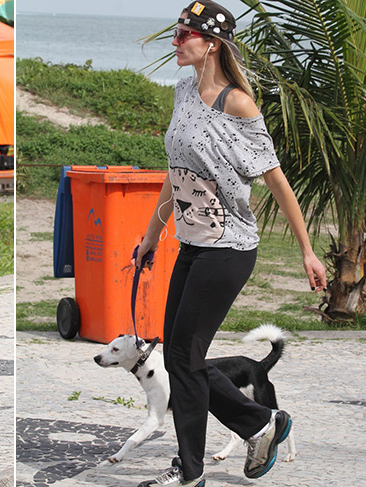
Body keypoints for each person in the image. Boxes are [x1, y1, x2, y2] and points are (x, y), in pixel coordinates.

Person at [133, 2, 327, 486]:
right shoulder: (183, 89)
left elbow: (277, 182)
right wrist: (152, 235)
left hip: (230, 248)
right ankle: (260, 424)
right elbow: (176, 174)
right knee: (182, 358)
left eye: (184, 34)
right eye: (177, 32)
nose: (175, 41)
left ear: (211, 43)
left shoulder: (238, 104)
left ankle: (199, 465)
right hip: (192, 244)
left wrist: (307, 251)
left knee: (181, 358)